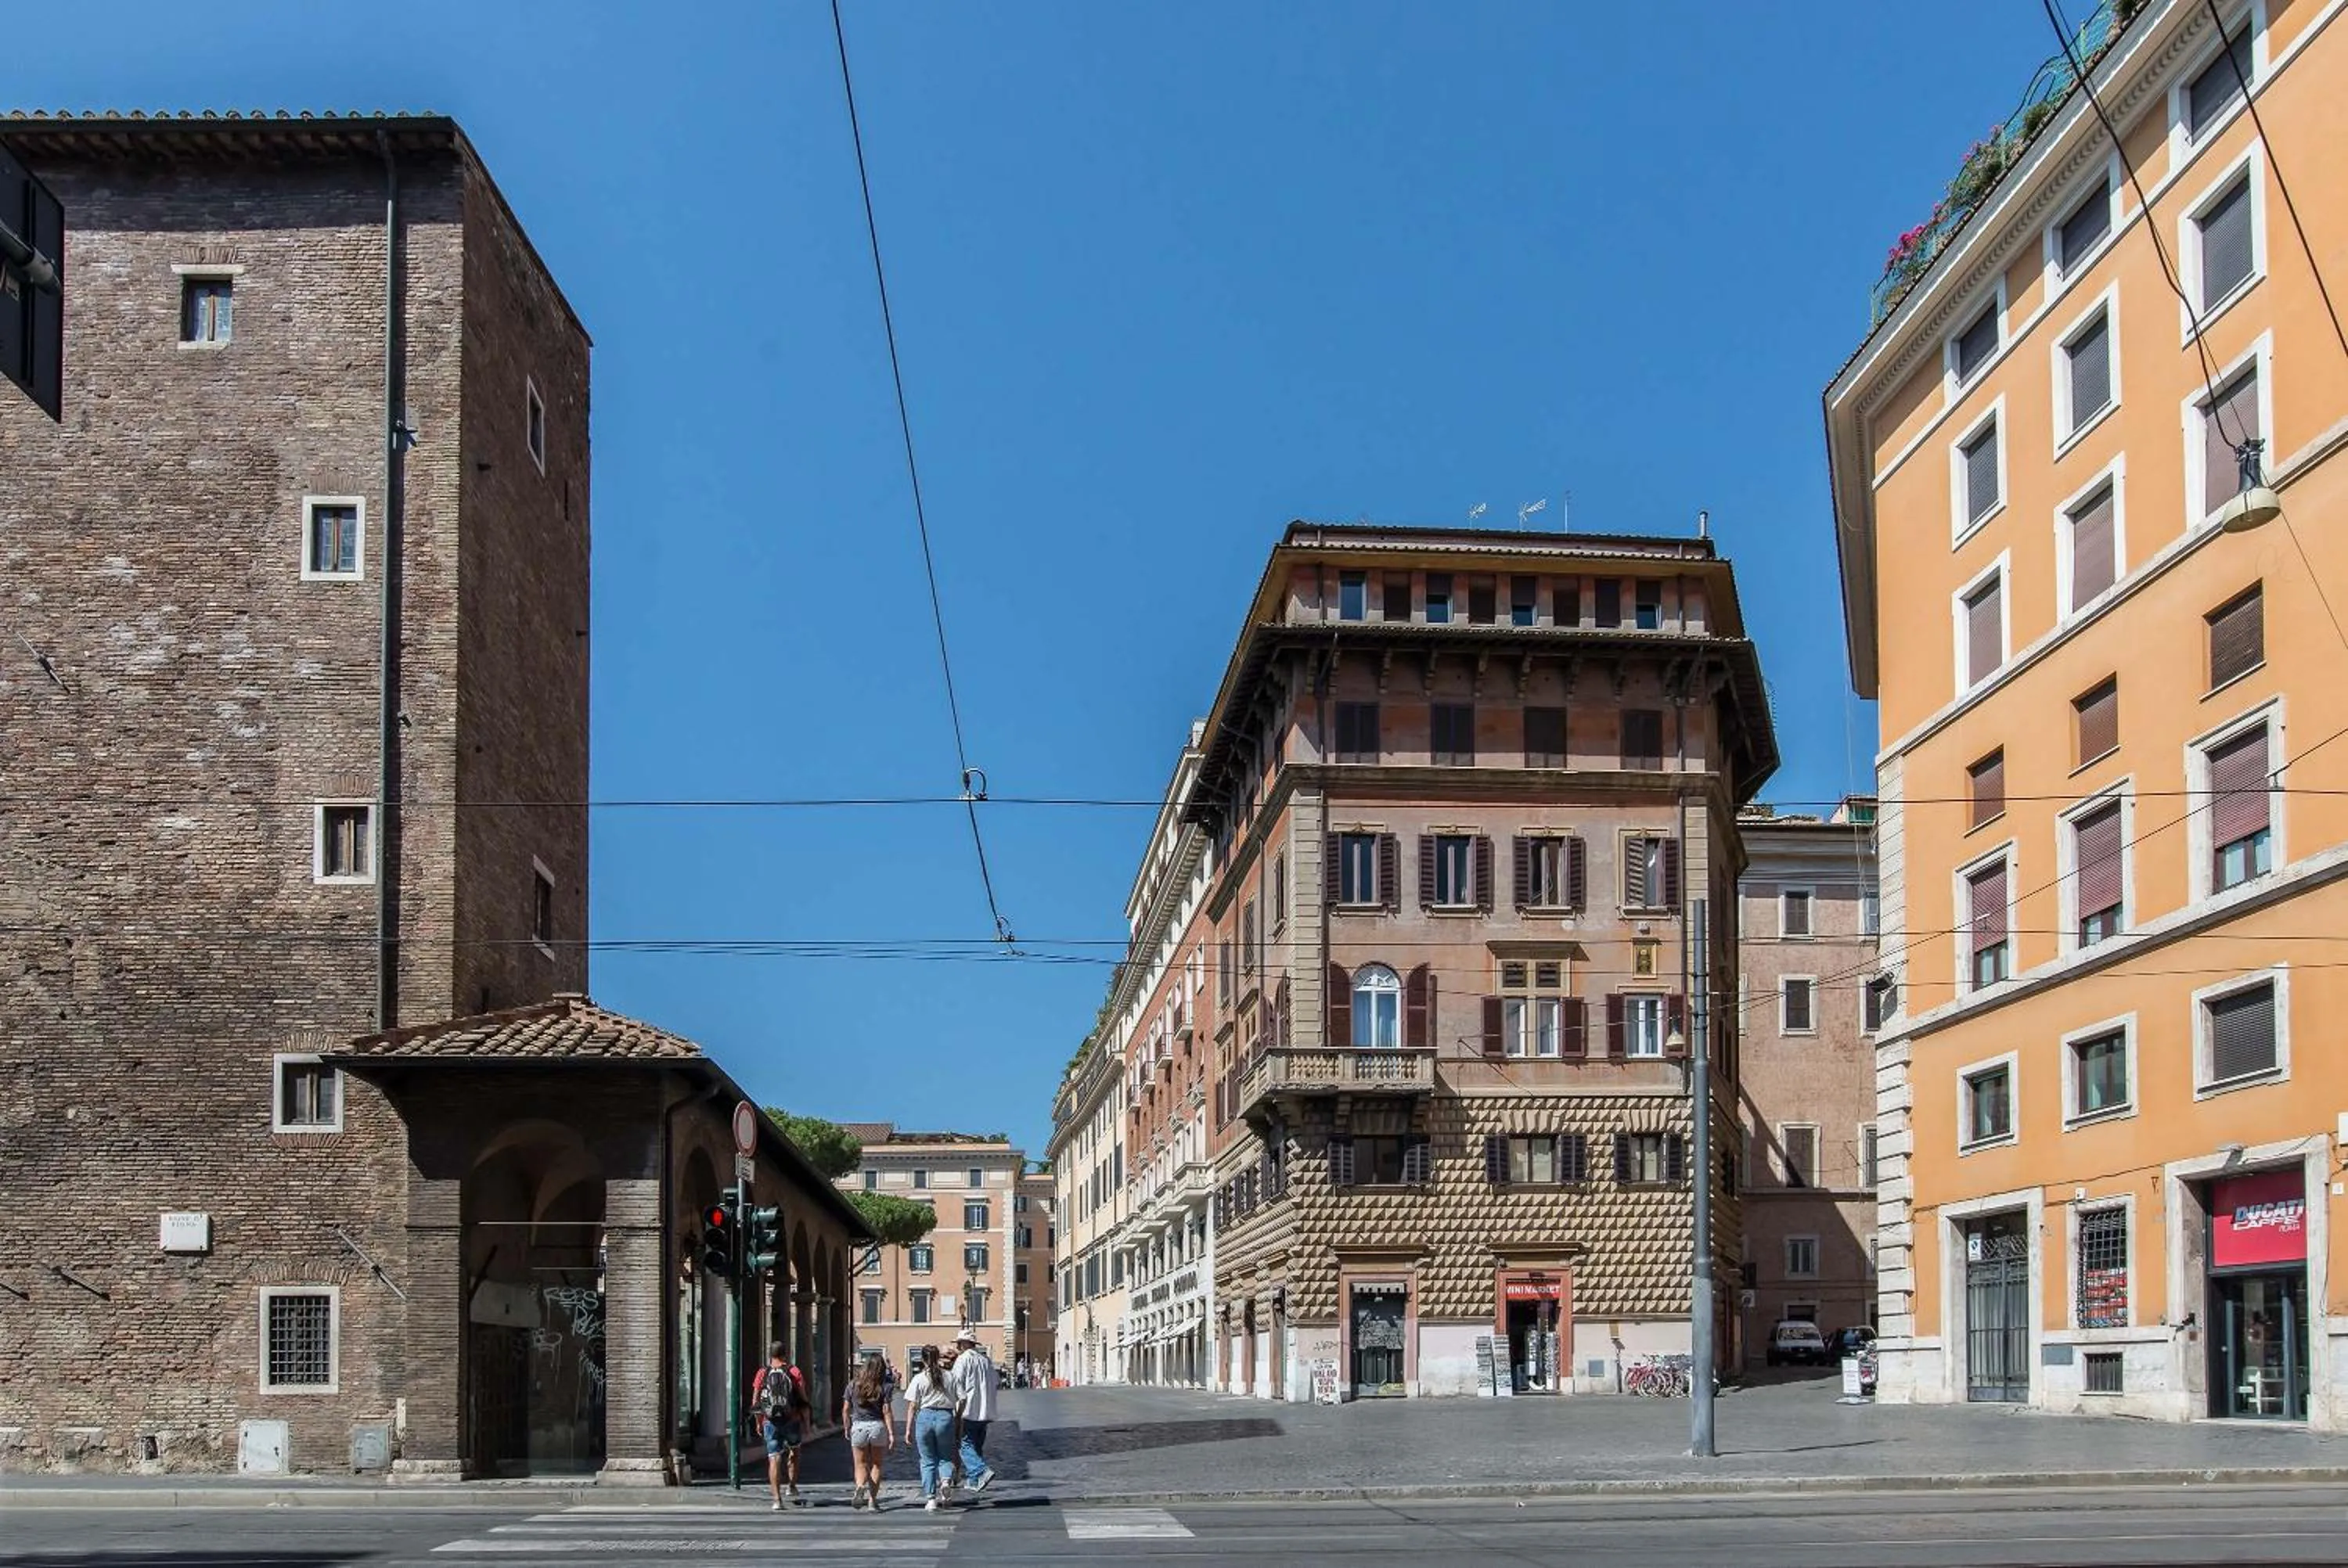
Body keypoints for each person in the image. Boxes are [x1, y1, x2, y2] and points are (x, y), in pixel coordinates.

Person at [748, 1342, 809, 1511]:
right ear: (785, 1354)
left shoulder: (763, 1373)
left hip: (770, 1421)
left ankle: (777, 1500)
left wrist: (759, 1422)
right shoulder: (794, 1371)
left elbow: (756, 1401)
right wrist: (806, 1422)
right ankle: (791, 1486)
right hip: (792, 1419)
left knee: (774, 1458)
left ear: (770, 1355)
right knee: (794, 1451)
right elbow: (803, 1399)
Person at [903, 1343, 960, 1512]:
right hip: (945, 1416)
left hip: (925, 1417)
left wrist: (908, 1429)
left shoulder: (919, 1378)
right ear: (938, 1358)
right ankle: (945, 1482)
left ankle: (931, 1499)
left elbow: (912, 1405)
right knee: (945, 1456)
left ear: (923, 1359)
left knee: (927, 1460)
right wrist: (957, 1416)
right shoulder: (950, 1376)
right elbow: (962, 1398)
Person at [947, 1327, 999, 1496]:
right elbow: (996, 1382)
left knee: (964, 1444)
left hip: (968, 1409)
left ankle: (981, 1471)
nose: (957, 1347)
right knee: (977, 1445)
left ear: (963, 1344)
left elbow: (955, 1383)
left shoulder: (963, 1360)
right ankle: (974, 1480)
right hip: (985, 1410)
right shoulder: (986, 1360)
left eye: (958, 1344)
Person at [842, 1351, 895, 1512]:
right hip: (877, 1426)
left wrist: (847, 1427)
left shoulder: (853, 1384)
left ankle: (860, 1487)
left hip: (859, 1426)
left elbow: (846, 1409)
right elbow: (886, 1411)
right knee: (877, 1464)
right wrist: (891, 1433)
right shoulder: (885, 1386)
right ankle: (873, 1501)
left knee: (860, 1464)